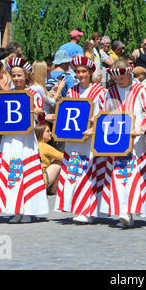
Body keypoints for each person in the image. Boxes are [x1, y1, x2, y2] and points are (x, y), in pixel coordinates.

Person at [0, 57, 49, 223]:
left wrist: (39, 113)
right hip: (10, 139)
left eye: (19, 75)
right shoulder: (7, 94)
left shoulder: (34, 94)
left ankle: (29, 210)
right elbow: (1, 115)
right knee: (12, 172)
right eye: (13, 76)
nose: (16, 79)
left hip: (26, 140)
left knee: (27, 171)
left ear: (26, 75)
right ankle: (14, 209)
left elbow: (42, 121)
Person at [99, 59, 146, 228]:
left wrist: (141, 128)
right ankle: (122, 210)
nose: (118, 82)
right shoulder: (110, 92)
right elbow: (105, 113)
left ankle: (130, 210)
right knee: (118, 174)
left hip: (136, 139)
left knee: (134, 175)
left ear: (128, 74)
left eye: (121, 79)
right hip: (116, 139)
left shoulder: (141, 90)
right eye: (115, 80)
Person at [54, 56, 107, 224]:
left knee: (89, 173)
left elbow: (105, 116)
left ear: (91, 72)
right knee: (74, 172)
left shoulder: (100, 92)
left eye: (84, 71)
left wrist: (94, 125)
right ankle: (77, 206)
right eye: (77, 71)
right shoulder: (72, 91)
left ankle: (88, 209)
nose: (80, 74)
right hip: (73, 139)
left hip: (90, 139)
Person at [35, 122, 63, 195]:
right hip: (41, 180)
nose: (50, 133)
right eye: (47, 131)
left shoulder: (34, 144)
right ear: (41, 133)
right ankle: (53, 191)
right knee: (59, 162)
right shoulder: (44, 146)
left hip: (33, 181)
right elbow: (63, 157)